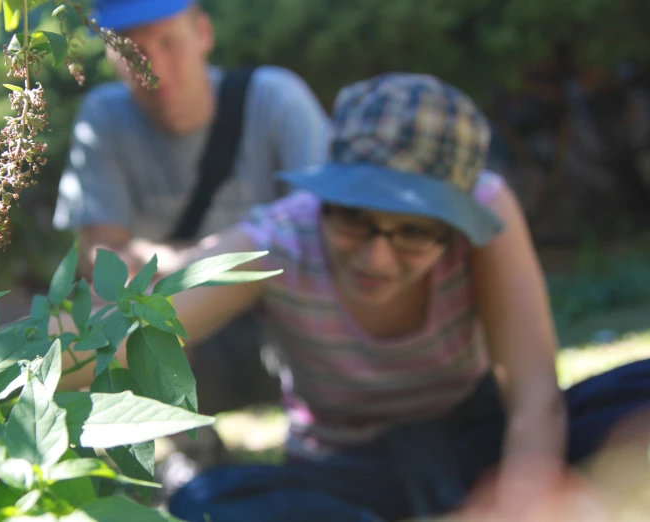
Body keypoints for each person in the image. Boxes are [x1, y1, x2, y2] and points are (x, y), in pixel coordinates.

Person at [83, 73, 650, 521]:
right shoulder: (278, 239)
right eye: (353, 219)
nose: (378, 256)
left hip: (477, 439)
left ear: (454, 225)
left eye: (414, 231)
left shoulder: (488, 210)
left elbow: (533, 394)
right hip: (347, 470)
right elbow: (120, 335)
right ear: (324, 199)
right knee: (207, 499)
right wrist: (10, 369)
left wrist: (525, 499)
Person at [52, 0, 329, 487]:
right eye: (131, 48)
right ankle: (190, 448)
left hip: (284, 315)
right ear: (110, 55)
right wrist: (158, 266)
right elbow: (99, 252)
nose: (153, 64)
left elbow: (327, 230)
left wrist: (190, 259)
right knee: (111, 305)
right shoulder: (104, 118)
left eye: (169, 41)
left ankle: (325, 439)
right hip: (181, 319)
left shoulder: (276, 99)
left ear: (202, 33)